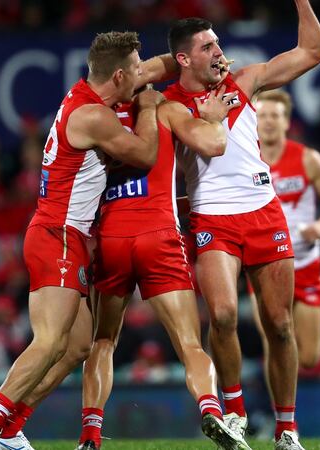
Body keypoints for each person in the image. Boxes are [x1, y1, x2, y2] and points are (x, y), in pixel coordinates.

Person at [0, 31, 172, 450]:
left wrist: (194, 56)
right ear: (117, 77)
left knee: (77, 347)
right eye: (135, 72)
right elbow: (146, 156)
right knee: (51, 339)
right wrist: (148, 108)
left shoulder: (92, 92)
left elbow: (155, 67)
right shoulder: (92, 116)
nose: (142, 77)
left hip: (67, 236)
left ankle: (10, 427)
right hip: (57, 234)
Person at [162, 4, 320, 449]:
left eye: (217, 44)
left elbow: (313, 52)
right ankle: (234, 413)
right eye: (207, 47)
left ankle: (287, 428)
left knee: (280, 324)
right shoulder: (169, 104)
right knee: (222, 315)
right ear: (184, 59)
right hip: (212, 216)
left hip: (263, 212)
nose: (219, 52)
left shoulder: (246, 80)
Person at [73, 88, 244, 450]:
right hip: (159, 233)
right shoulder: (166, 111)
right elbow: (212, 143)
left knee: (103, 341)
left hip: (112, 236)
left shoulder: (95, 120)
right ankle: (211, 409)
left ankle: (90, 434)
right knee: (188, 342)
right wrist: (214, 118)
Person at [249, 90, 320, 376]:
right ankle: (282, 419)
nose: (267, 122)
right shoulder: (245, 160)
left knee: (310, 357)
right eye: (262, 116)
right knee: (274, 343)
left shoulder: (307, 159)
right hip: (265, 265)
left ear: (286, 122)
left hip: (305, 263)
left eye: (274, 116)